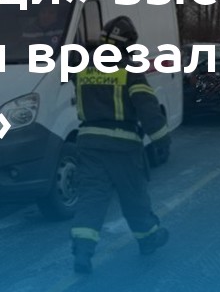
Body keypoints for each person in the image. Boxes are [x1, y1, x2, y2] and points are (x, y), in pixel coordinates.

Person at [69, 16, 172, 274]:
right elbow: (147, 108)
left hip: (89, 143)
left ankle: (82, 250)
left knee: (92, 198)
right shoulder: (130, 71)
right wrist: (162, 139)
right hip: (123, 146)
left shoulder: (83, 68)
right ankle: (148, 239)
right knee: (133, 196)